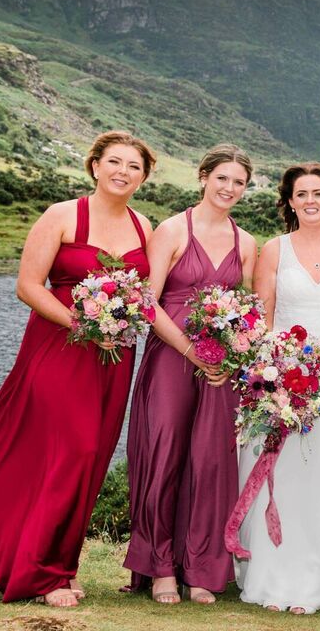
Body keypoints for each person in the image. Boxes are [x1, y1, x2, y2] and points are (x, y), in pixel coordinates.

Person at [0, 130, 155, 607]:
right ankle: (39, 574)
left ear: (144, 176)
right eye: (114, 161)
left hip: (113, 357)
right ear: (95, 165)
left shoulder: (144, 227)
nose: (123, 172)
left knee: (92, 456)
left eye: (133, 166)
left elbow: (146, 295)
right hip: (58, 346)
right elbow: (29, 286)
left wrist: (124, 322)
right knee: (71, 449)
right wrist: (82, 321)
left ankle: (63, 565)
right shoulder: (61, 215)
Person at [234, 162, 320, 614]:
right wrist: (269, 379)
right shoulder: (273, 251)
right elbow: (263, 318)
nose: (310, 201)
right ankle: (275, 570)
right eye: (301, 195)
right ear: (290, 202)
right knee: (286, 474)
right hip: (284, 380)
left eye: (319, 193)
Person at [123, 144, 258, 604]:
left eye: (238, 182)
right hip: (171, 358)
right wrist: (189, 350)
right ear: (204, 177)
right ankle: (160, 566)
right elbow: (147, 300)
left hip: (219, 369)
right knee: (165, 454)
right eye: (222, 178)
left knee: (211, 463)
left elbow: (249, 312)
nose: (229, 188)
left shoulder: (248, 242)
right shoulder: (172, 229)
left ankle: (200, 566)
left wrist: (229, 357)